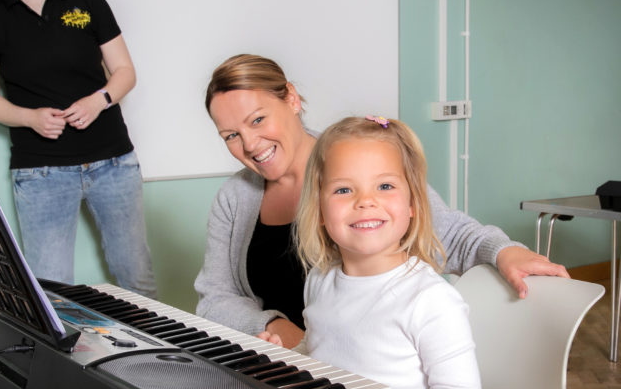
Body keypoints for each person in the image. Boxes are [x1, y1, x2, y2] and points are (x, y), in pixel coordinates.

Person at [195, 54, 568, 348]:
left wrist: (503, 251)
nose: (249, 145)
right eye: (230, 135)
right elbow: (214, 299)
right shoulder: (235, 198)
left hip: (369, 369)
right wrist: (276, 327)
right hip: (284, 364)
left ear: (291, 98)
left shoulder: (355, 159)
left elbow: (448, 234)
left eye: (258, 120)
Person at [0, 0, 156, 297]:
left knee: (137, 277)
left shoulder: (87, 1)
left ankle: (152, 356)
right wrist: (29, 117)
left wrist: (97, 101)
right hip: (41, 172)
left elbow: (124, 72)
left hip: (113, 164)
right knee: (50, 291)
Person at [286, 115, 482, 389]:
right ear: (319, 209)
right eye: (344, 189)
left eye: (385, 186)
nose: (365, 201)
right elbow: (321, 345)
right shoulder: (319, 280)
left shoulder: (430, 300)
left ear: (413, 204)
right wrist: (285, 358)